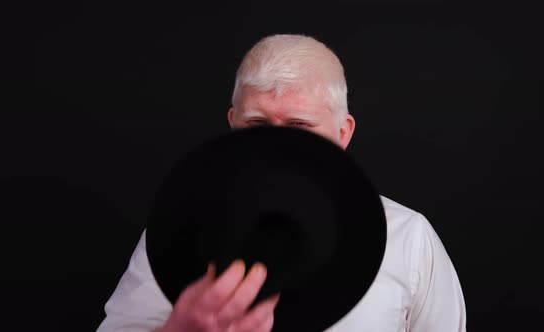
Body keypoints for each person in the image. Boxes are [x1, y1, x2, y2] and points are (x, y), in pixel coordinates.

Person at [97, 34, 466, 332]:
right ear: (232, 125)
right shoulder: (179, 227)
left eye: (300, 127)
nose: (277, 145)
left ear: (343, 132)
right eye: (256, 125)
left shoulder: (409, 236)